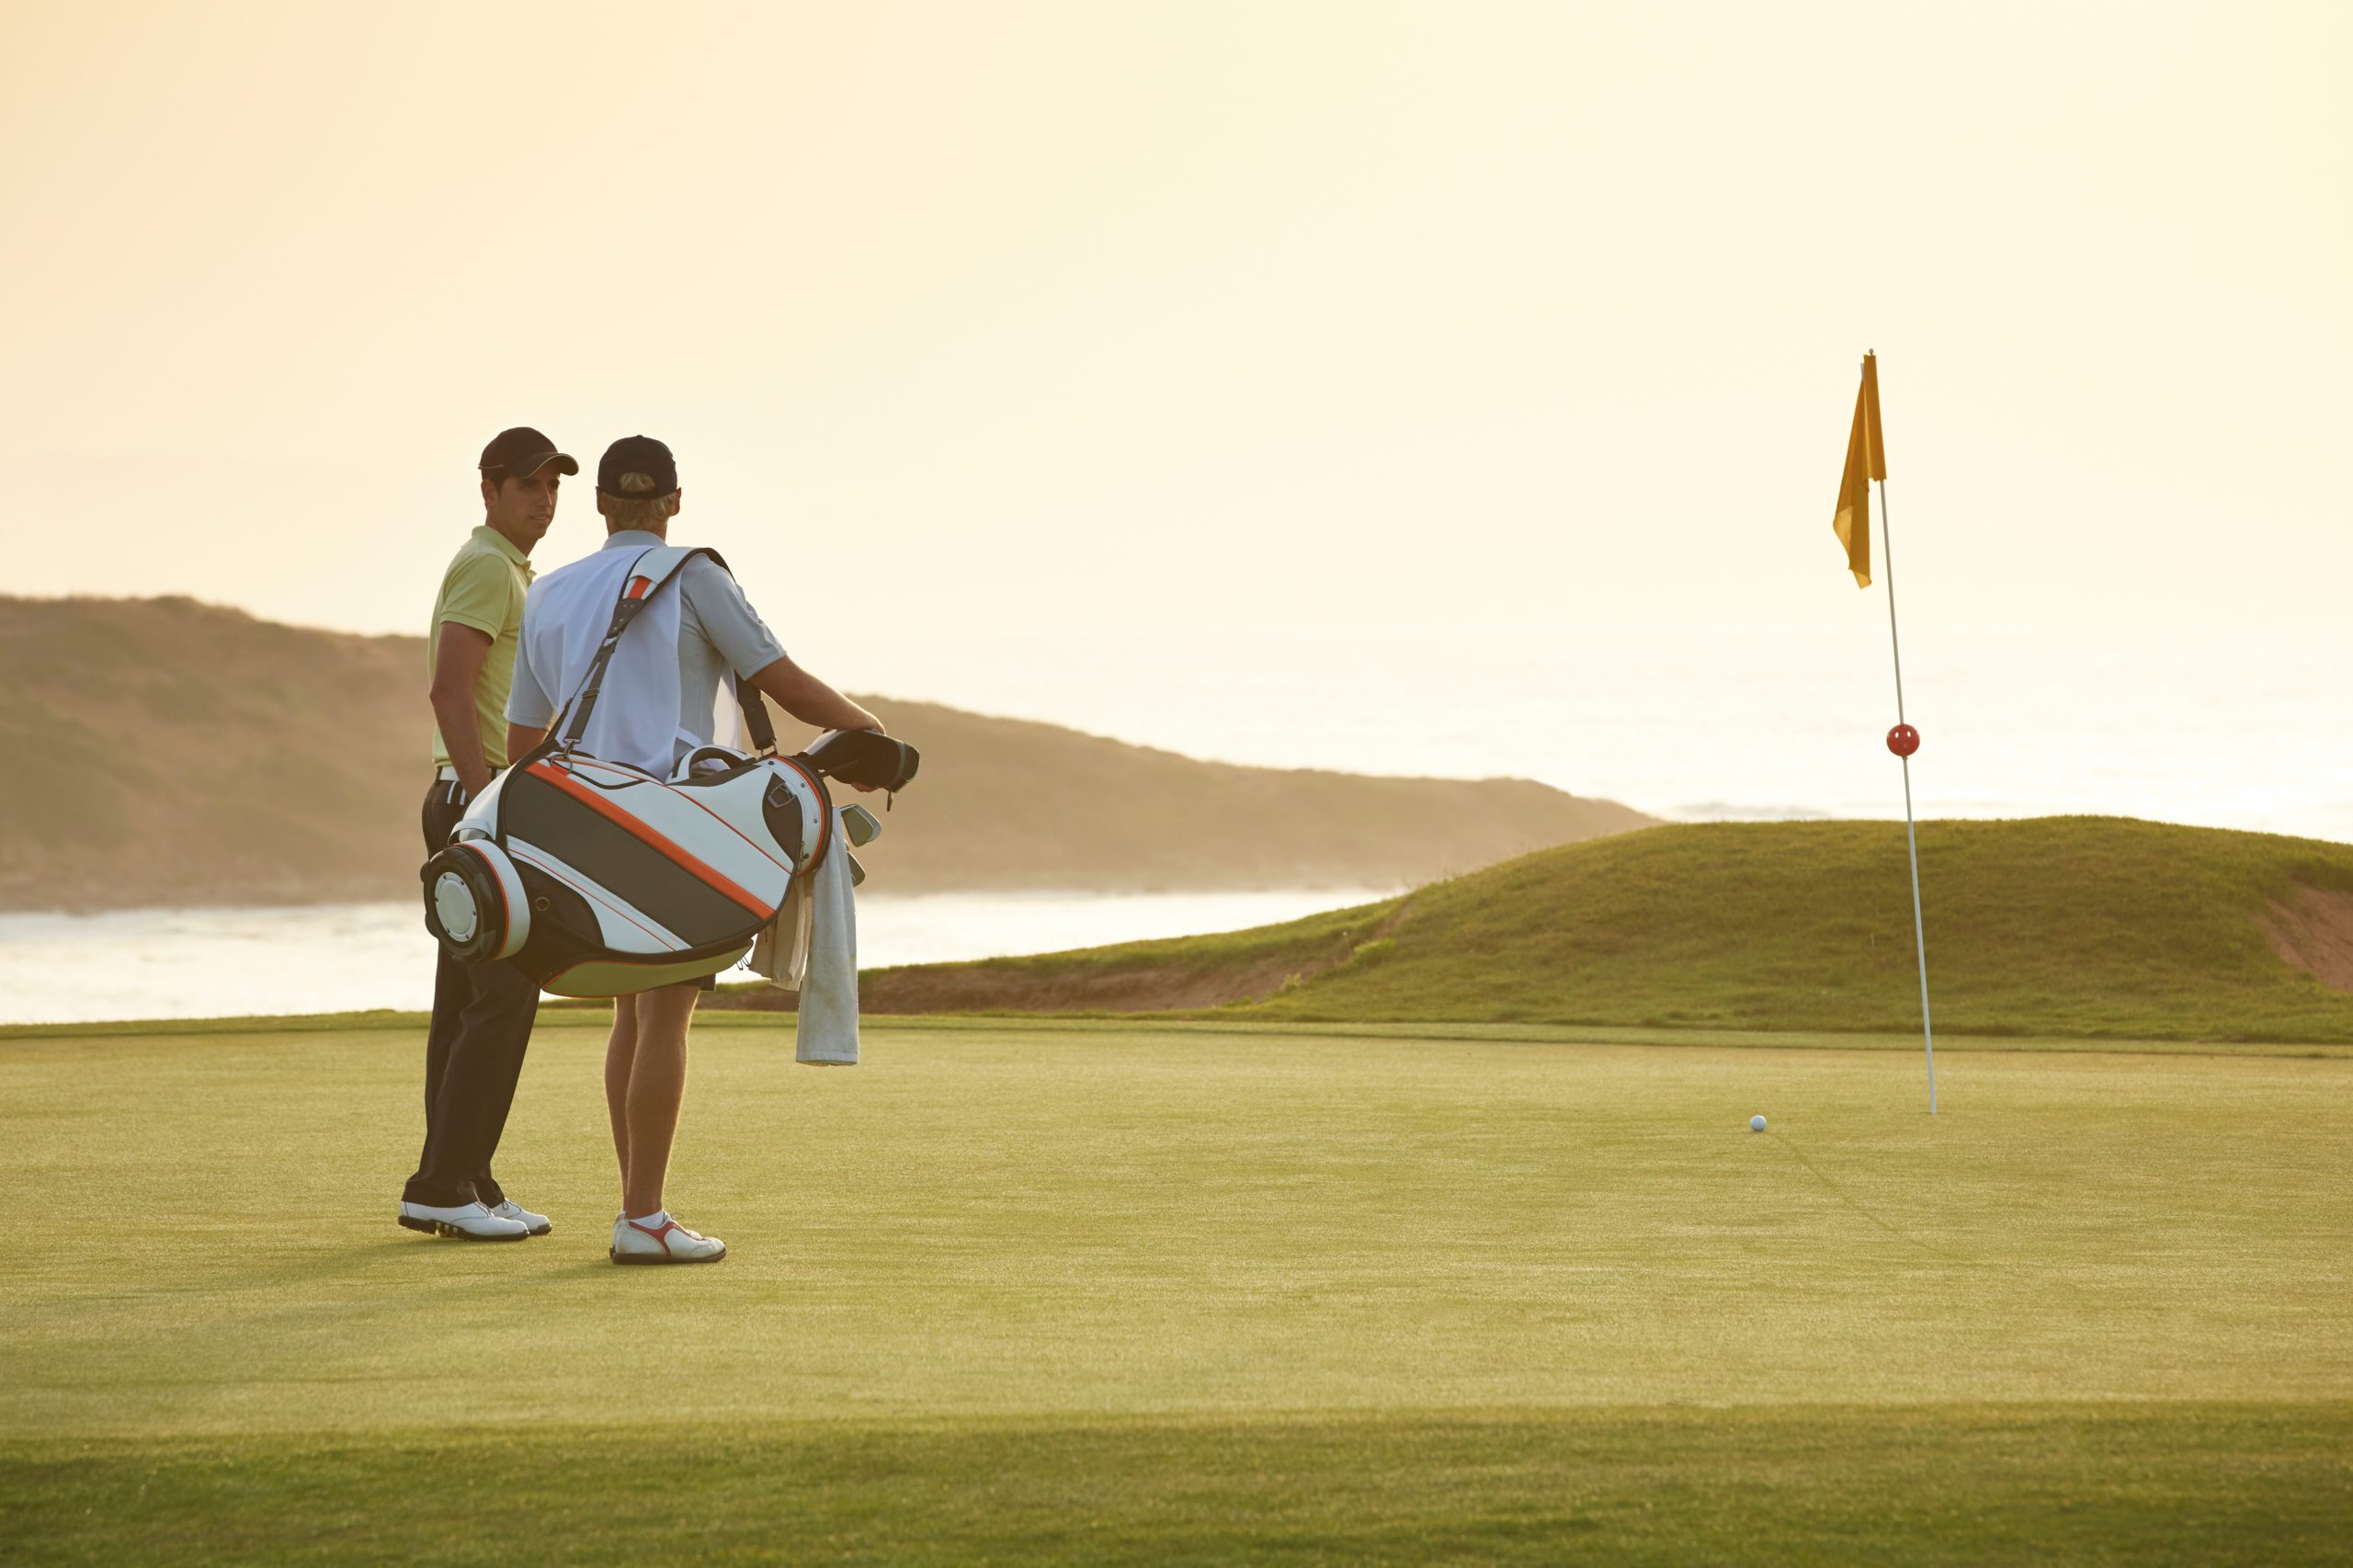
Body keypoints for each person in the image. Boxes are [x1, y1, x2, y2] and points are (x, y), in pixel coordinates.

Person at [504, 435, 883, 1266]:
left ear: (600, 504)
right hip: (671, 821)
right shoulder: (694, 576)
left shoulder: (551, 593)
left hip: (580, 822)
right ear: (674, 503)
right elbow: (782, 682)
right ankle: (643, 1217)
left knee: (630, 1013)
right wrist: (870, 731)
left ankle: (635, 1205)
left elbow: (526, 742)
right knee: (667, 1011)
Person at [398, 427, 578, 1242]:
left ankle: (462, 1176)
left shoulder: (508, 570)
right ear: (490, 491)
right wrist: (487, 803)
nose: (543, 500)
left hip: (474, 802)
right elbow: (448, 691)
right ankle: (442, 1182)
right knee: (504, 997)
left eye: (552, 487)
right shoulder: (485, 567)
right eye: (529, 485)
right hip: (477, 806)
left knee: (469, 1002)